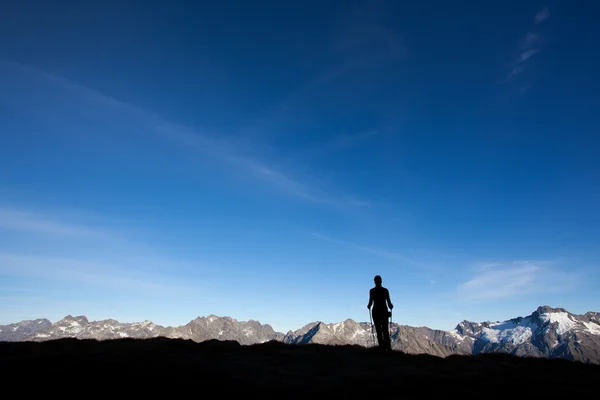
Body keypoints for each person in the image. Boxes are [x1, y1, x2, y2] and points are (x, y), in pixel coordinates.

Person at [367, 275, 393, 352]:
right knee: (385, 330)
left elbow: (370, 303)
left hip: (375, 312)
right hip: (384, 312)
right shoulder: (385, 291)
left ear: (375, 281)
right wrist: (391, 307)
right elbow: (389, 303)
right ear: (381, 281)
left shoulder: (372, 291)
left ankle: (382, 348)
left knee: (378, 331)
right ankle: (388, 348)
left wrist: (368, 306)